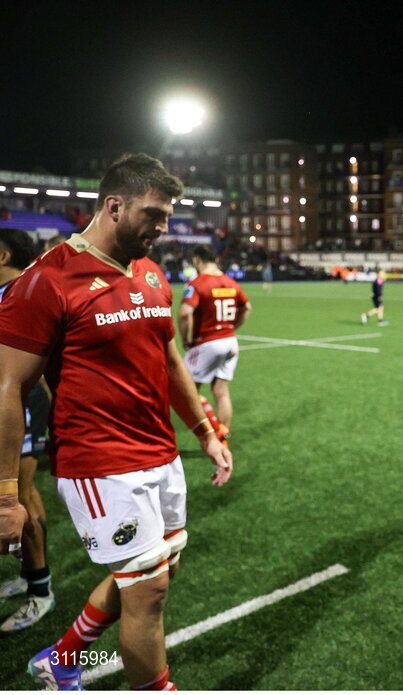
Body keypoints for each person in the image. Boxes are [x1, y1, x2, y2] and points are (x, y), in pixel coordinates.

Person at [0, 153, 233, 690]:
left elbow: (171, 361)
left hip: (161, 454)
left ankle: (64, 659)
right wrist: (8, 495)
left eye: (169, 216)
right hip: (99, 464)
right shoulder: (48, 281)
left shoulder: (151, 273)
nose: (164, 227)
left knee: (157, 572)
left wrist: (205, 433)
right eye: (154, 214)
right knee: (147, 593)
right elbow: (9, 387)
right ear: (114, 206)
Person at [0, 228, 56, 632]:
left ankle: (40, 593)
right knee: (23, 493)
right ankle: (30, 575)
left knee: (19, 494)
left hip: (24, 402)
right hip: (13, 401)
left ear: (3, 256)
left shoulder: (21, 293)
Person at [179, 244, 251, 438]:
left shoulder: (197, 283)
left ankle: (213, 432)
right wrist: (232, 327)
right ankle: (224, 431)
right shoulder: (230, 282)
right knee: (221, 390)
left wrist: (185, 339)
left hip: (207, 343)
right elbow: (247, 307)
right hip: (230, 342)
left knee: (186, 392)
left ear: (197, 260)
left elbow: (185, 313)